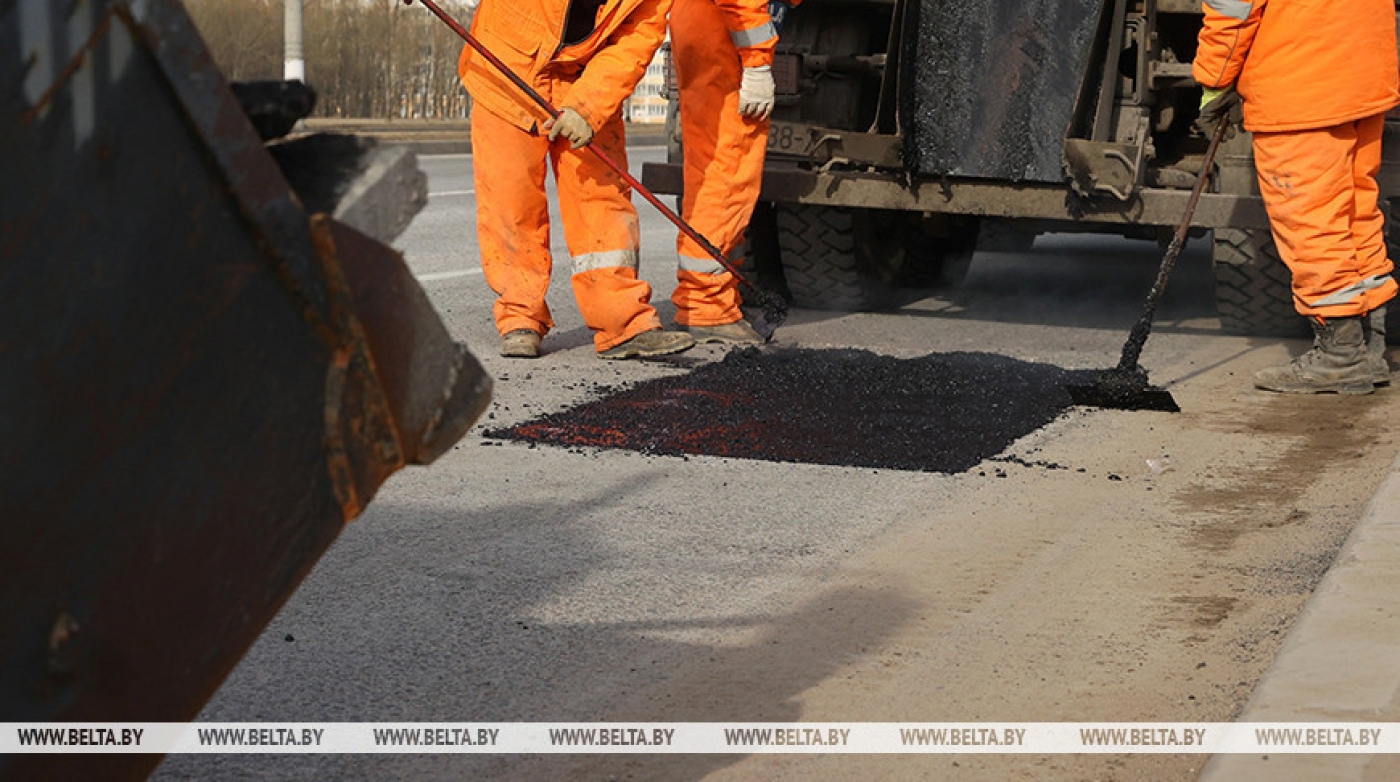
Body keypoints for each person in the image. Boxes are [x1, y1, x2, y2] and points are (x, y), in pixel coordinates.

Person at [458, 0, 695, 360]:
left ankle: (623, 323)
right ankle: (520, 318)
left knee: (602, 201)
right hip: (506, 67)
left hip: (586, 79)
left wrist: (587, 107)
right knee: (511, 201)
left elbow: (635, 39)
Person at [1193, 0, 1400, 394]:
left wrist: (1215, 81)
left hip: (1302, 83)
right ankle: (1369, 344)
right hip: (1363, 73)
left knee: (1311, 218)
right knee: (1355, 211)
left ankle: (1340, 356)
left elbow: (1232, 8)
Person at [668, 0, 796, 344]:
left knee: (710, 168)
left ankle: (715, 294)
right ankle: (706, 306)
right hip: (726, 38)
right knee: (729, 171)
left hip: (710, 30)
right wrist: (756, 62)